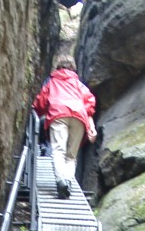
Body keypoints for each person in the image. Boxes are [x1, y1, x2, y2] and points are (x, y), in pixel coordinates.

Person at [32, 55, 97, 199]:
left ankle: (61, 181)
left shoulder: (52, 82)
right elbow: (89, 103)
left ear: (58, 66)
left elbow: (40, 103)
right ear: (73, 67)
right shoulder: (79, 84)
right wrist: (91, 127)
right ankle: (67, 180)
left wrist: (36, 112)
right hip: (79, 117)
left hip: (58, 115)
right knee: (71, 156)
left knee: (58, 150)